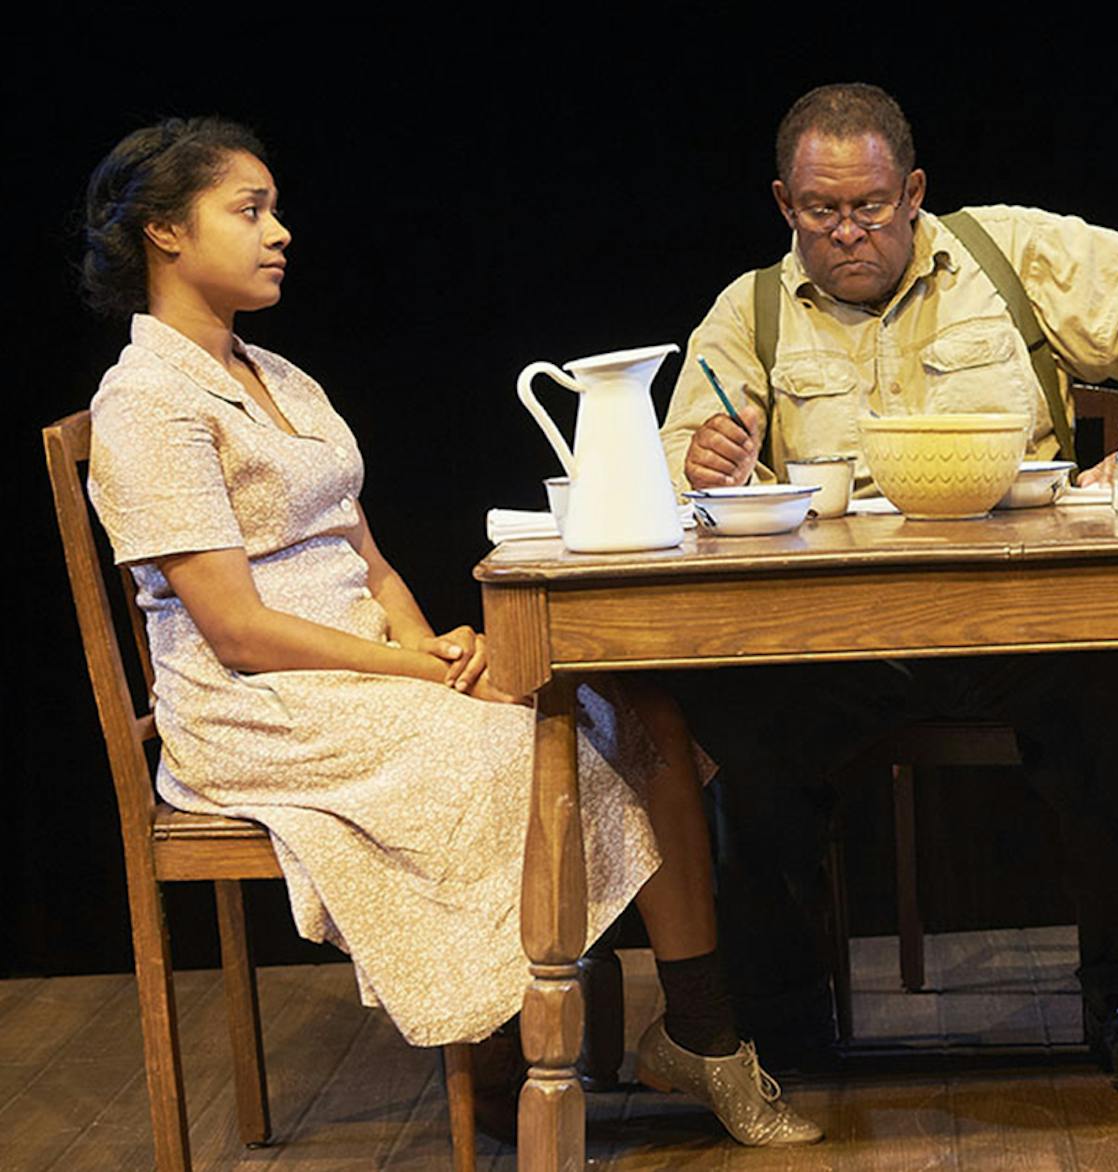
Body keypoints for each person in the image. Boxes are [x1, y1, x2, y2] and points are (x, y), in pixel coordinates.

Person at [78, 117, 818, 1148]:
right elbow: (239, 631)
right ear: (163, 231)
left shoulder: (279, 376)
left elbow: (368, 560)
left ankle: (701, 1032)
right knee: (536, 756)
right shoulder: (148, 402)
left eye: (275, 208)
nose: (279, 231)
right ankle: (514, 1051)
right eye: (248, 211)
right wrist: (412, 668)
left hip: (362, 671)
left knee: (633, 707)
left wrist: (439, 648)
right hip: (257, 708)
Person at [655, 83, 1118, 1094]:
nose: (847, 232)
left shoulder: (1007, 256)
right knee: (735, 733)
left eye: (870, 206)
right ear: (784, 204)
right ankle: (785, 1024)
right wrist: (700, 466)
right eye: (821, 211)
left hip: (1023, 614)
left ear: (913, 190)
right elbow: (674, 458)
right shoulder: (749, 314)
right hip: (840, 634)